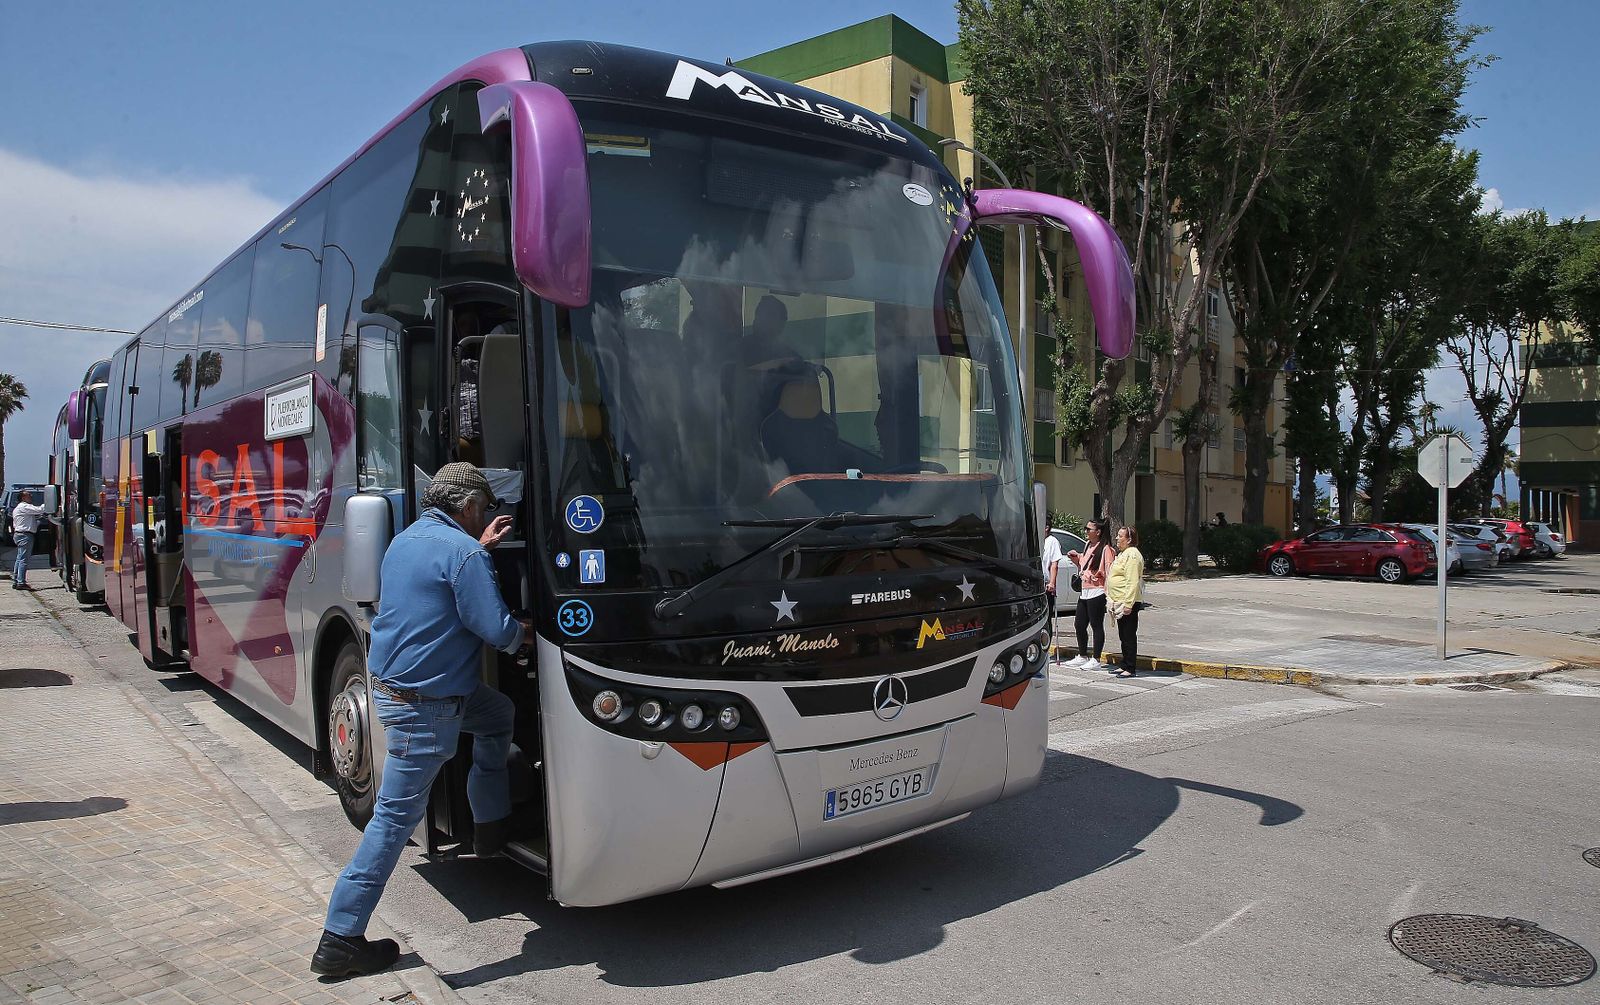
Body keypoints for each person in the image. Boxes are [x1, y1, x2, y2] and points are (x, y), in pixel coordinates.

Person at [313, 463, 530, 978]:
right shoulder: (466, 554)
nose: (488, 511)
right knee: (393, 821)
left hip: (398, 691)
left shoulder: (409, 539)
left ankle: (489, 830)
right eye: (484, 503)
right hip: (427, 709)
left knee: (498, 714)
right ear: (469, 505)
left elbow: (443, 580)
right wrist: (523, 635)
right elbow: (494, 627)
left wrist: (481, 548)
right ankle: (340, 937)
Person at [1065, 520, 1116, 671]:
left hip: (1097, 591)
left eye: (1089, 529)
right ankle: (1082, 654)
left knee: (1096, 625)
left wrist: (1109, 594)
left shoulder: (1106, 549)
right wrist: (1076, 559)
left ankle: (1096, 658)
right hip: (1085, 590)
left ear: (1098, 532)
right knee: (1079, 624)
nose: (1086, 531)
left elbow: (1109, 571)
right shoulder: (1088, 545)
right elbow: (1084, 564)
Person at [1107, 525, 1146, 678]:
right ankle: (1124, 663)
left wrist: (1128, 604)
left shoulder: (1133, 555)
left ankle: (1130, 667)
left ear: (1129, 539)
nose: (1117, 538)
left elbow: (1132, 581)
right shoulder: (1123, 553)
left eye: (1120, 536)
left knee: (1129, 635)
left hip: (1127, 602)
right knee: (1123, 635)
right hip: (1119, 600)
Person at [11, 491, 46, 590]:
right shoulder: (24, 507)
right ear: (23, 498)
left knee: (19, 558)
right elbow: (39, 509)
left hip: (20, 534)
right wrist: (49, 502)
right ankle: (21, 582)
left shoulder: (19, 508)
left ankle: (16, 579)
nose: (31, 496)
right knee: (23, 559)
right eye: (28, 495)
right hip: (25, 535)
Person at [1040, 530, 1063, 662]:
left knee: (1046, 619)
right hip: (1033, 584)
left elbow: (1054, 564)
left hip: (1046, 583)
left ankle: (1045, 648)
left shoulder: (1052, 541)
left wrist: (1052, 582)